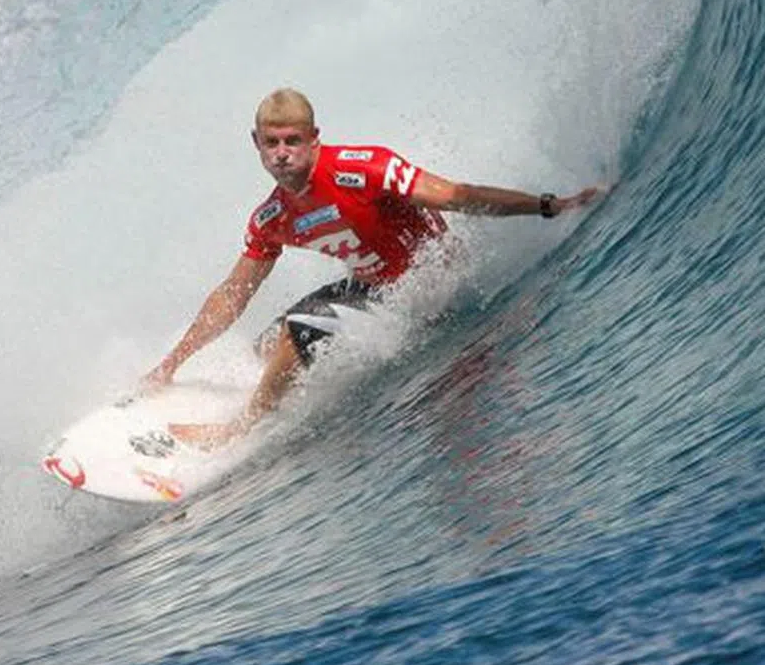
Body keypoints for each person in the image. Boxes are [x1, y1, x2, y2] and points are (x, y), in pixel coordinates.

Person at [143, 88, 604, 447]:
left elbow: (461, 197)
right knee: (268, 344)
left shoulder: (363, 170)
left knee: (298, 333)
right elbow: (233, 294)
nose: (282, 152)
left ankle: (241, 428)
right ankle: (262, 387)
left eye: (293, 141)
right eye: (271, 143)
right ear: (256, 144)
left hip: (426, 285)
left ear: (314, 138)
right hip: (371, 286)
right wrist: (172, 363)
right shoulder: (272, 216)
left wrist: (549, 205)